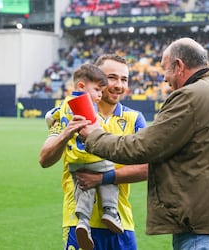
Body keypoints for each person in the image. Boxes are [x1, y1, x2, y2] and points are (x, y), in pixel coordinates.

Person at [79, 38, 209, 250]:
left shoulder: (191, 96)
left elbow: (143, 147)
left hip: (202, 228)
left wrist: (93, 136)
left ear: (179, 66)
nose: (164, 78)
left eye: (165, 69)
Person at [39, 54, 148, 250]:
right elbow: (44, 159)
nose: (119, 85)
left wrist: (103, 178)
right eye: (112, 78)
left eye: (124, 79)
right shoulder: (67, 112)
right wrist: (66, 133)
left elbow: (148, 168)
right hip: (78, 223)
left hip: (119, 222)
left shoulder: (134, 119)